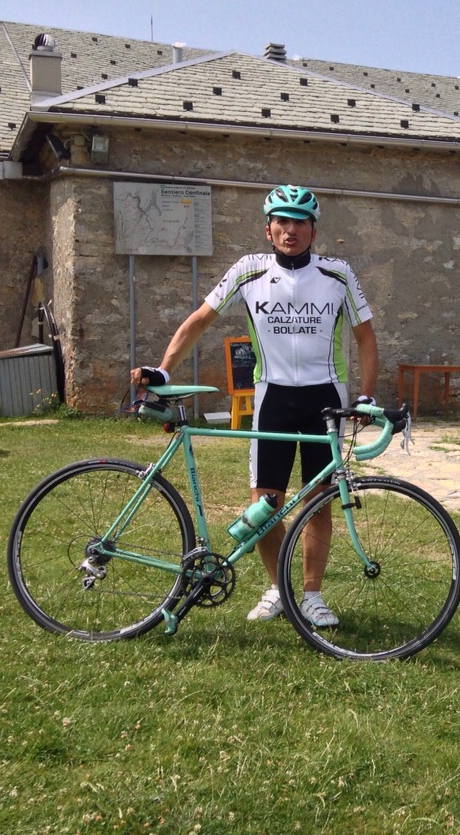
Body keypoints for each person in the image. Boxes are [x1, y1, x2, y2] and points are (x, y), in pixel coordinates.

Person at [130, 185, 378, 627]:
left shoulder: (337, 273)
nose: (290, 230)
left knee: (319, 502)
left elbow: (366, 337)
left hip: (325, 397)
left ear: (314, 230)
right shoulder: (249, 270)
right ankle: (280, 589)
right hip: (273, 397)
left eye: (299, 222)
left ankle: (312, 596)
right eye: (281, 222)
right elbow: (199, 320)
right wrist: (164, 371)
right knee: (264, 505)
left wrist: (366, 394)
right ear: (268, 230)